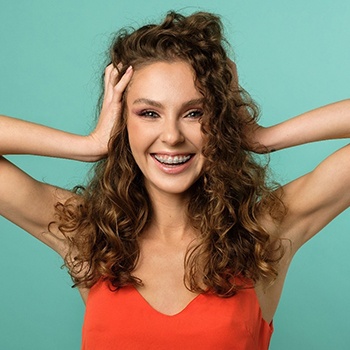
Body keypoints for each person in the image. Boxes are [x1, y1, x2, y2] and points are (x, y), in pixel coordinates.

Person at [0, 11, 349, 350]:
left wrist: (261, 137)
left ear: (219, 120)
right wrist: (88, 145)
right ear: (123, 121)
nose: (171, 136)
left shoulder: (264, 235)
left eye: (194, 113)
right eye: (149, 113)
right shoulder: (89, 236)